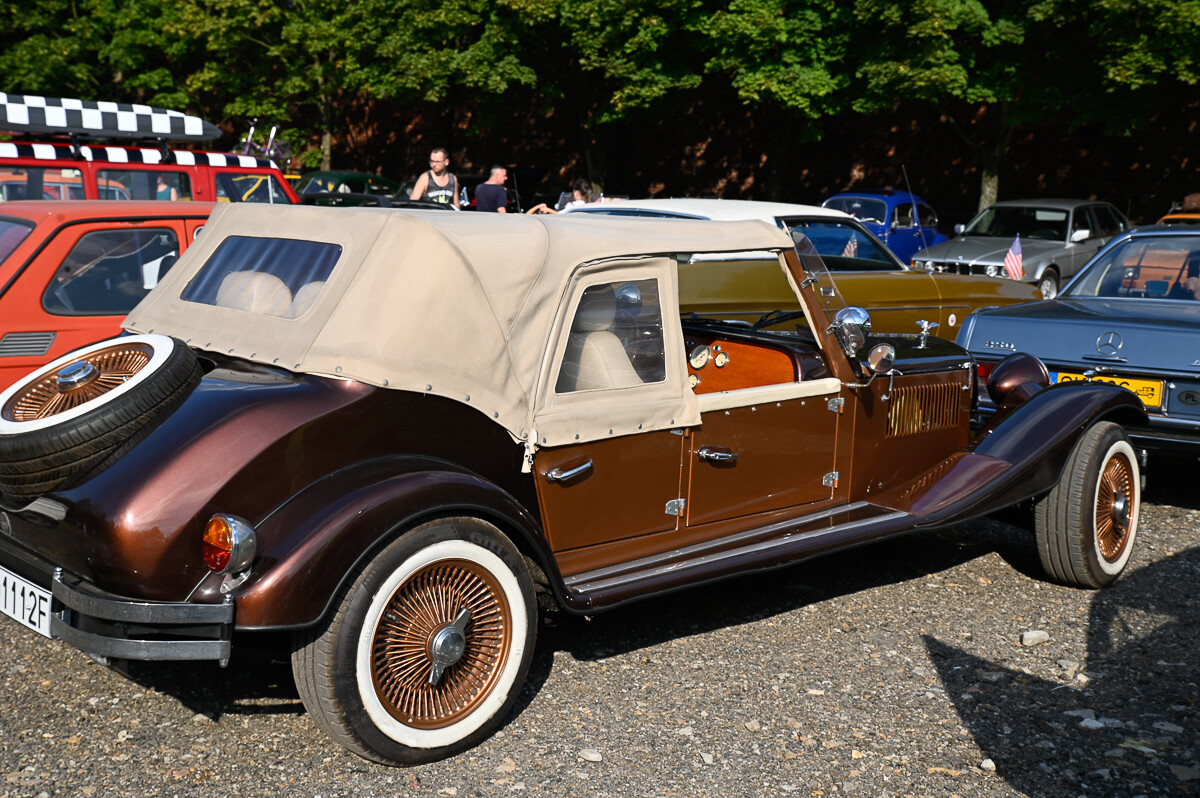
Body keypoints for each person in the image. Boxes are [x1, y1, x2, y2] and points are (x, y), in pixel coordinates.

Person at [525, 178, 593, 215]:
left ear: (576, 192)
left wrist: (546, 209)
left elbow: (561, 216)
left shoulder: (575, 205)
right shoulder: (590, 206)